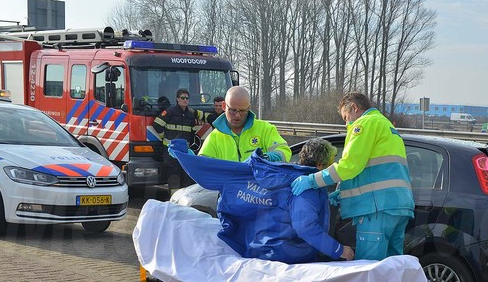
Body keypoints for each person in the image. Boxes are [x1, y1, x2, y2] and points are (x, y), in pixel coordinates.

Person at [169, 138, 354, 263]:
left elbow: (219, 170)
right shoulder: (307, 189)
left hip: (262, 247)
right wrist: (338, 250)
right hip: (289, 256)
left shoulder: (279, 176)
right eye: (330, 163)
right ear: (320, 165)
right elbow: (305, 226)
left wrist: (185, 157)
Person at [291, 92, 414, 260]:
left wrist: (312, 180)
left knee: (368, 270)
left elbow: (350, 165)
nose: (346, 123)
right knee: (391, 269)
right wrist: (343, 192)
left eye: (345, 117)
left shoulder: (364, 124)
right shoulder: (386, 126)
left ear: (354, 108)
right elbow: (372, 169)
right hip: (399, 206)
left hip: (376, 209)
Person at [198, 86, 291, 162]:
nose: (237, 115)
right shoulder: (214, 138)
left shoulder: (265, 129)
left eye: (242, 111)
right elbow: (202, 166)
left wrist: (267, 158)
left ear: (249, 108)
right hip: (228, 185)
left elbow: (284, 151)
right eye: (233, 110)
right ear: (224, 106)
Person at [153, 88, 203, 193]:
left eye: (187, 98)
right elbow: (157, 124)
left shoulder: (190, 113)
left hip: (184, 150)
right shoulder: (170, 111)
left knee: (186, 174)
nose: (185, 100)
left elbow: (192, 130)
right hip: (171, 150)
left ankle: (184, 199)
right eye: (183, 98)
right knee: (173, 174)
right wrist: (164, 138)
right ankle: (174, 199)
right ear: (177, 99)